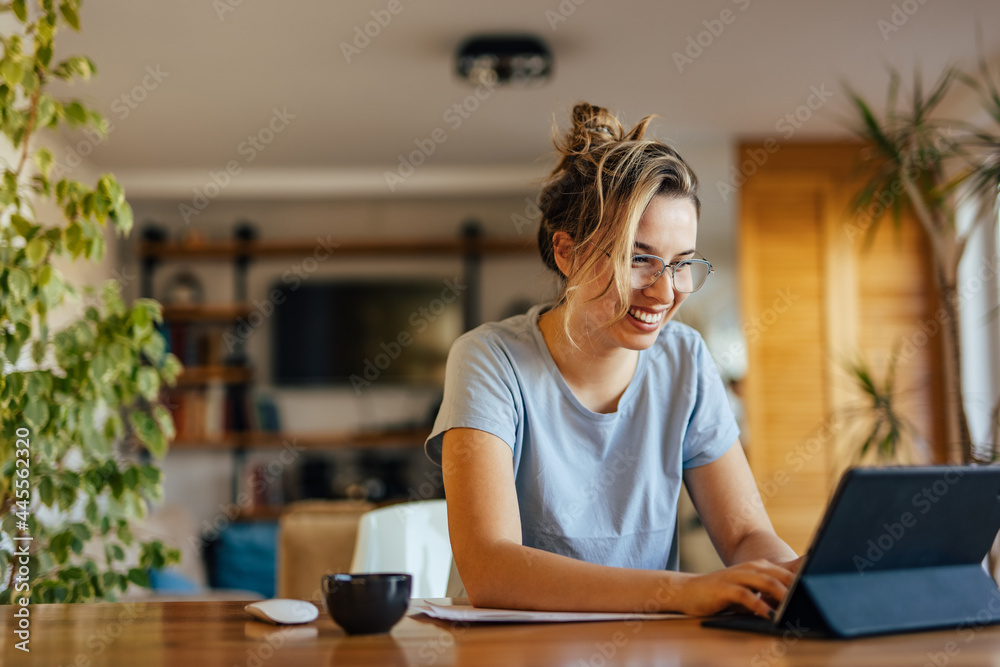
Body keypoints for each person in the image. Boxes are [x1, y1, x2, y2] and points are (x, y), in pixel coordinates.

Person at [424, 102, 800, 616]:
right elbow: (490, 568)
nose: (665, 291)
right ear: (566, 252)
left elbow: (746, 535)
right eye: (637, 258)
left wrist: (788, 577)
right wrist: (682, 591)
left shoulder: (685, 359)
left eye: (682, 263)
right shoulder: (490, 360)